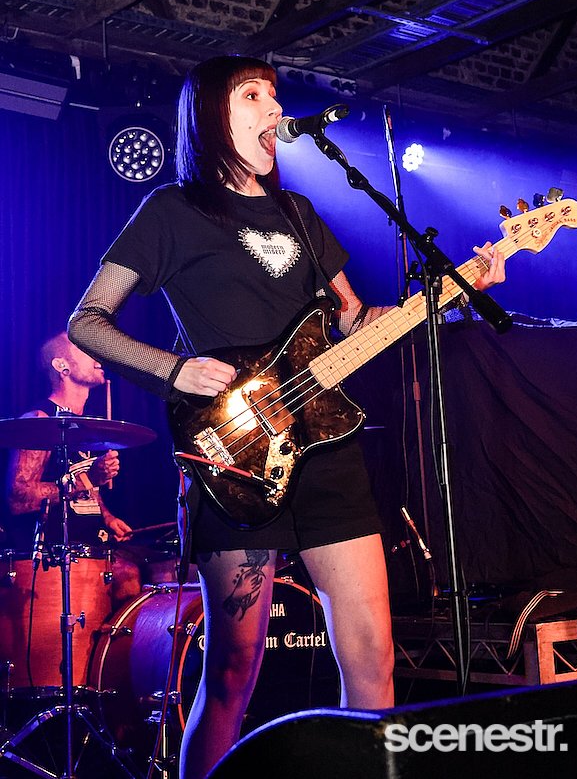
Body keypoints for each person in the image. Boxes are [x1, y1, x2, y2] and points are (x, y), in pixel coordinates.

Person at [67, 55, 506, 779]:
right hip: (233, 454)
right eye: (253, 95)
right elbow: (87, 320)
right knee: (232, 669)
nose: (274, 109)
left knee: (374, 655)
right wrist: (174, 369)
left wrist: (455, 290)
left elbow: (355, 321)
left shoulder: (300, 213)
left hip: (327, 447)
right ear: (212, 114)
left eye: (275, 95)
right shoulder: (171, 211)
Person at [5, 331, 140, 609]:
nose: (97, 356)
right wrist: (89, 478)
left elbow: (81, 481)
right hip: (51, 560)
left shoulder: (85, 425)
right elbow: (18, 498)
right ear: (61, 366)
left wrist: (107, 517)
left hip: (92, 549)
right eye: (84, 350)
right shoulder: (40, 421)